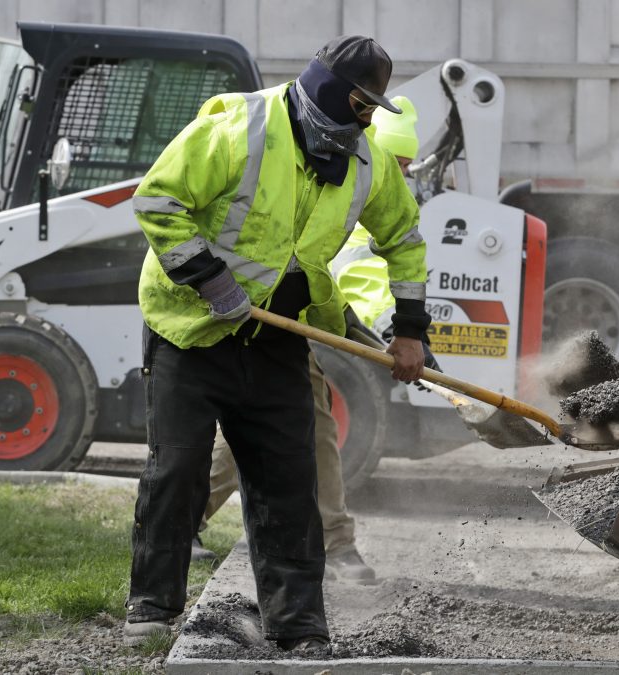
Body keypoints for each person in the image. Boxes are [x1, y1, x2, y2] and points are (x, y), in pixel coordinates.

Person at [125, 36, 430, 655]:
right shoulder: (240, 126)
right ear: (335, 94)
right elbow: (158, 200)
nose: (370, 120)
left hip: (278, 337)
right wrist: (213, 283)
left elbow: (404, 238)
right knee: (178, 469)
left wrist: (411, 331)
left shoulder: (363, 160)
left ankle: (297, 628)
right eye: (365, 105)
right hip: (190, 328)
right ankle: (152, 610)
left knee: (288, 482)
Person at [192, 96, 425, 586]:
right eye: (400, 162)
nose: (403, 173)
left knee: (314, 426)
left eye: (408, 165)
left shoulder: (367, 182)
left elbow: (355, 271)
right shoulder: (347, 180)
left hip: (298, 313)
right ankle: (184, 521)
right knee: (257, 425)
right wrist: (386, 328)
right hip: (248, 310)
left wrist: (405, 333)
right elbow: (354, 271)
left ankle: (335, 544)